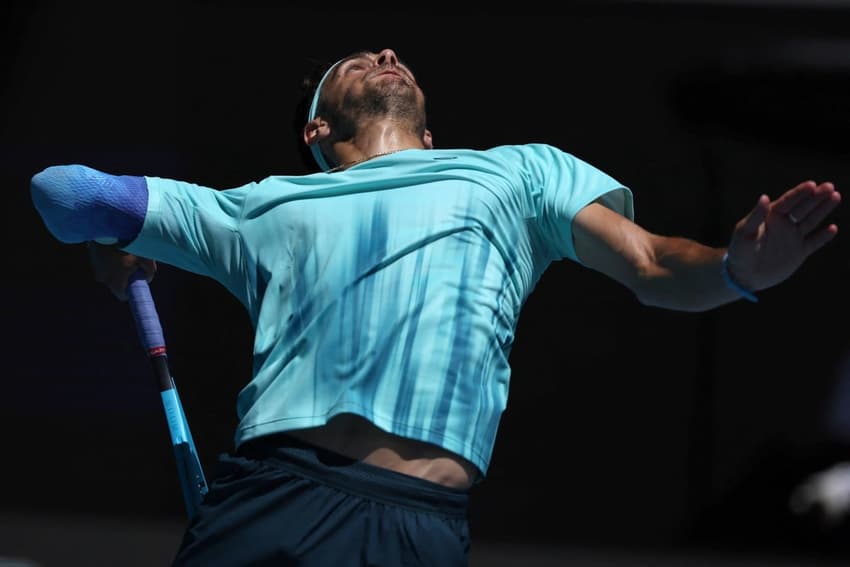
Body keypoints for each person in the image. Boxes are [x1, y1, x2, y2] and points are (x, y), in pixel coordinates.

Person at [30, 47, 841, 566]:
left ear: (429, 131)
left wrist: (740, 270)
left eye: (393, 53)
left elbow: (655, 263)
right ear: (316, 125)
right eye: (355, 60)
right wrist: (109, 234)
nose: (387, 53)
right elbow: (62, 189)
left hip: (418, 521)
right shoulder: (259, 206)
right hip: (274, 497)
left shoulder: (517, 174)